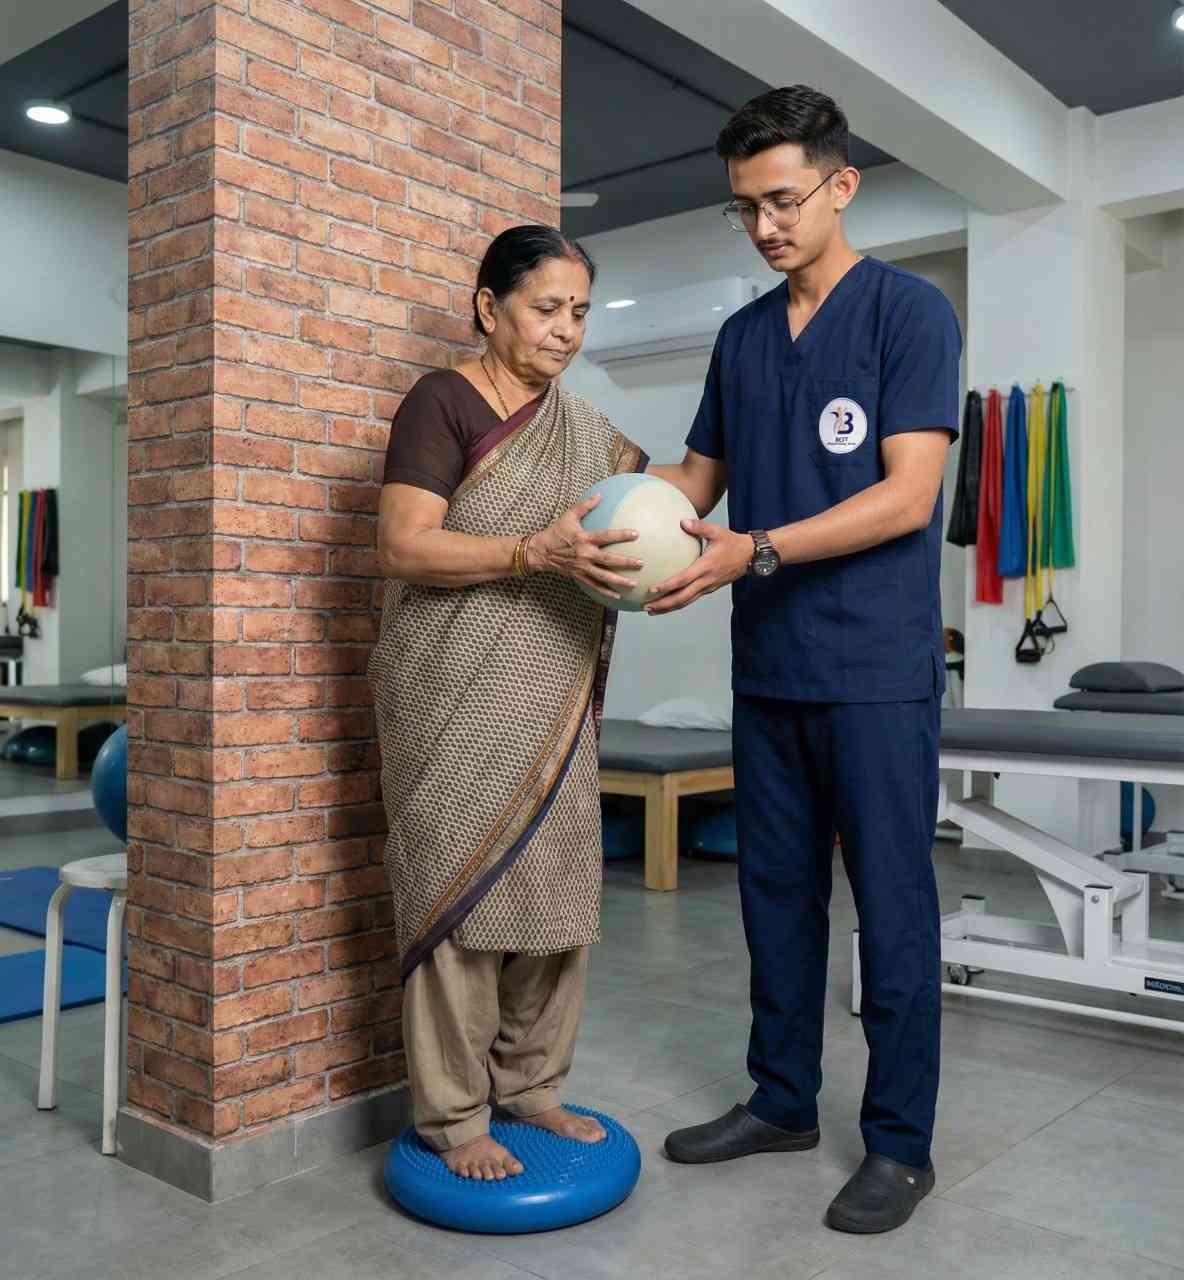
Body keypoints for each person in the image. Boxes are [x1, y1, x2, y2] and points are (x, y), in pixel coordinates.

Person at [646, 86, 961, 1233]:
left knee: (890, 906)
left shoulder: (906, 314)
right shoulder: (738, 338)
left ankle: (898, 1143)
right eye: (744, 209)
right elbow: (695, 483)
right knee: (773, 902)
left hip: (874, 669)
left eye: (782, 200)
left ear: (840, 185)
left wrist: (755, 549)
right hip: (766, 665)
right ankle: (780, 1099)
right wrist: (617, 519)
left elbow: (905, 495)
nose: (765, 225)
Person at [369, 225, 647, 1182]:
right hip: (452, 692)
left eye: (578, 311)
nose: (566, 330)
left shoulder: (582, 428)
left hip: (553, 691)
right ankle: (453, 1116)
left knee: (557, 896)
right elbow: (406, 546)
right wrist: (536, 551)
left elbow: (649, 508)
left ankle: (532, 1086)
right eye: (545, 307)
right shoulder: (441, 403)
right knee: (462, 898)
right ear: (489, 308)